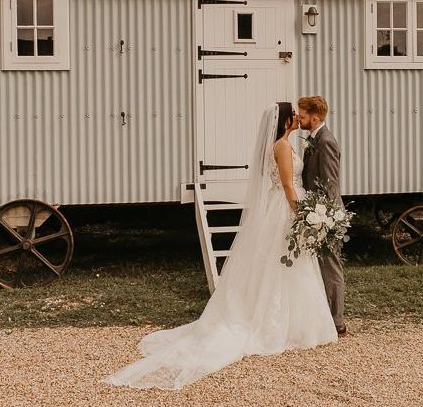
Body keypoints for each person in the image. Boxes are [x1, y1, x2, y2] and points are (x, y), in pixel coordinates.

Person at [104, 102, 337, 390]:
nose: (297, 118)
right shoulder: (282, 147)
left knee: (284, 264)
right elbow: (289, 186)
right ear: (286, 121)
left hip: (280, 208)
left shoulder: (284, 144)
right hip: (285, 209)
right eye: (294, 115)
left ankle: (293, 322)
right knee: (285, 264)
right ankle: (288, 326)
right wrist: (301, 215)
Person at [297, 96, 347, 337]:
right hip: (316, 211)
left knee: (330, 266)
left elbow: (330, 182)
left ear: (315, 118)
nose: (300, 119)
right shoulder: (313, 139)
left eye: (303, 116)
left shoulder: (326, 141)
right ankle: (323, 316)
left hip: (325, 214)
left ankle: (337, 321)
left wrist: (325, 216)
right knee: (320, 265)